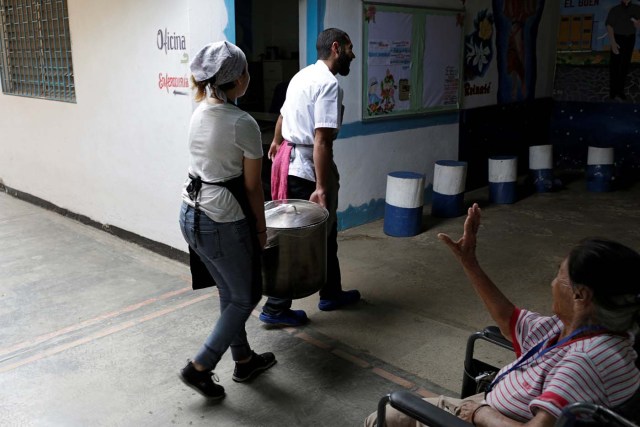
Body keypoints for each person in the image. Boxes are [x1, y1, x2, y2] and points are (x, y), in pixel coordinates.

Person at [366, 203, 640, 426]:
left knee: (383, 415)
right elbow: (509, 320)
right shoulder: (574, 328)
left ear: (581, 295)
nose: (552, 283)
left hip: (485, 418)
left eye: (559, 275)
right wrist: (469, 262)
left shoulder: (584, 363)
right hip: (491, 406)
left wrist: (481, 414)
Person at [178, 41, 276, 400]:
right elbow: (253, 188)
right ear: (238, 80)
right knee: (245, 296)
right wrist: (262, 229)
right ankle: (200, 366)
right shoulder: (242, 123)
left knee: (229, 292)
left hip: (189, 212)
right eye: (246, 71)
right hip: (220, 220)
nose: (250, 75)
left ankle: (245, 359)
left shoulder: (200, 110)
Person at [258, 28, 361, 327]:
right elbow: (322, 141)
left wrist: (277, 141)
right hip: (306, 169)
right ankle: (276, 308)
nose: (353, 54)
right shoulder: (328, 84)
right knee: (295, 240)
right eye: (350, 48)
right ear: (336, 48)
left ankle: (331, 292)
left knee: (326, 233)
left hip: (289, 161)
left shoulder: (301, 76)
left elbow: (282, 114)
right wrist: (321, 186)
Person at [606, 0, 640, 100]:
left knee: (625, 65)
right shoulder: (615, 9)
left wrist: (638, 24)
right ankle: (613, 91)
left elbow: (638, 24)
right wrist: (613, 42)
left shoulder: (637, 8)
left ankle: (620, 91)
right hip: (617, 38)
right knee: (614, 65)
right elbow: (609, 25)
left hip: (630, 39)